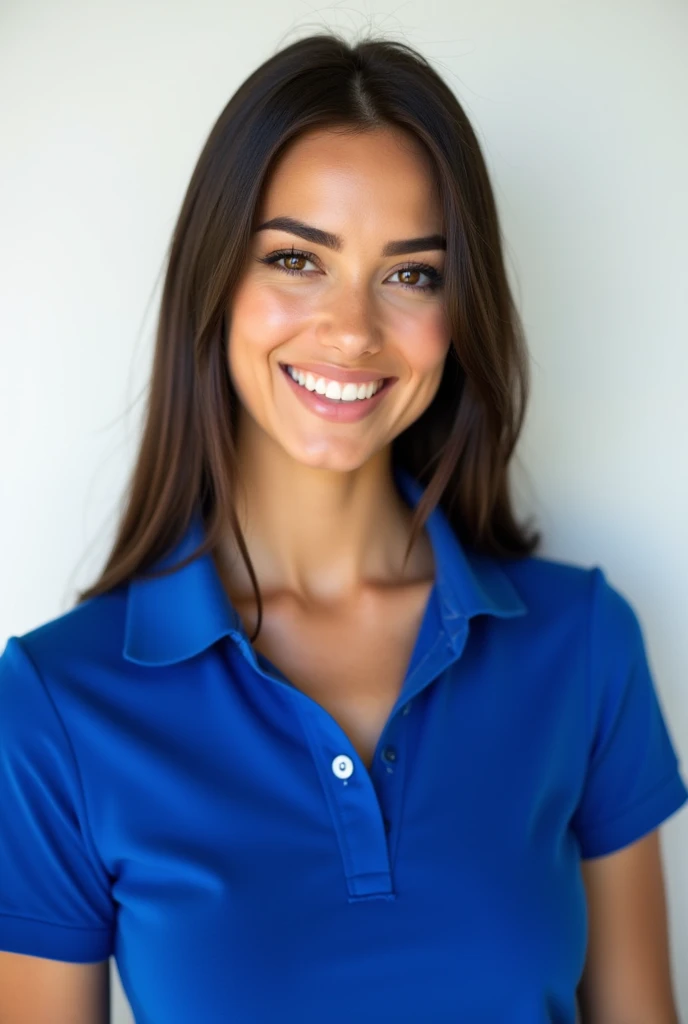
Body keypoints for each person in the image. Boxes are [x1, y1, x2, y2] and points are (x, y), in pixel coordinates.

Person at [0, 31, 686, 1024]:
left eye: (410, 274)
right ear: (215, 284)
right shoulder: (57, 708)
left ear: (461, 311)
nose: (353, 331)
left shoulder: (579, 645)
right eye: (295, 259)